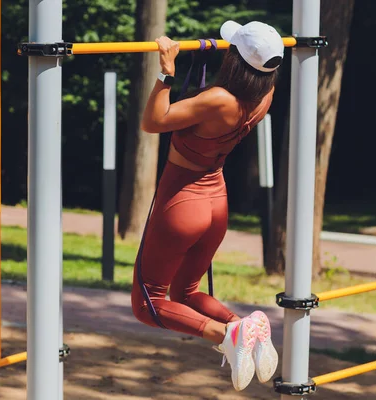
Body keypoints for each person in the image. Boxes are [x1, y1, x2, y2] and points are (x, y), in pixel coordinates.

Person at [131, 20, 283, 391]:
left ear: (235, 60)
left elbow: (153, 122)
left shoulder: (217, 101)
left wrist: (167, 73)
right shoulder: (265, 95)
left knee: (148, 302)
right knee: (187, 293)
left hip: (183, 204)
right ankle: (244, 327)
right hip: (216, 203)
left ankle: (224, 333)